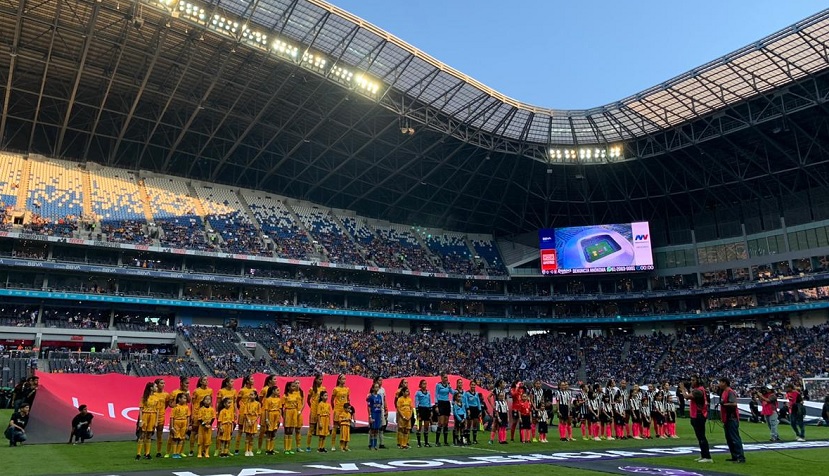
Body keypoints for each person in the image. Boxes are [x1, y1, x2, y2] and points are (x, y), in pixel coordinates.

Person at [679, 376, 712, 463]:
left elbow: (686, 396)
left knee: (701, 436)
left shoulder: (698, 391)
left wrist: (682, 389)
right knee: (700, 436)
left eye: (693, 380)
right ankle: (704, 454)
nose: (691, 382)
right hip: (697, 415)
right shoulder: (699, 390)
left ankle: (707, 456)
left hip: (699, 415)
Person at [718, 378, 746, 463]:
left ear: (725, 383)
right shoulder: (723, 392)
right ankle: (734, 456)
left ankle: (740, 457)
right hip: (726, 418)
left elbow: (734, 404)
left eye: (720, 382)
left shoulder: (730, 392)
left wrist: (724, 404)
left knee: (735, 438)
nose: (719, 384)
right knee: (729, 438)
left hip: (731, 418)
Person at [190, 377, 213, 457]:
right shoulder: (196, 391)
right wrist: (192, 414)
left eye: (207, 380)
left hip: (207, 415)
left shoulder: (210, 390)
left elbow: (211, 402)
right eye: (204, 380)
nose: (206, 381)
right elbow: (192, 404)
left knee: (205, 432)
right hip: (197, 413)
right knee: (194, 432)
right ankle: (191, 450)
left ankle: (203, 450)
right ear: (200, 381)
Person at [136, 381, 158, 460]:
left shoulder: (156, 397)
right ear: (151, 388)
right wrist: (141, 420)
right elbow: (141, 409)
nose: (156, 388)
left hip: (153, 416)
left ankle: (147, 453)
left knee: (149, 435)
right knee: (142, 435)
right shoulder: (144, 397)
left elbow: (157, 410)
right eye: (155, 386)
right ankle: (138, 453)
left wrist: (156, 421)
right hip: (145, 415)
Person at [234, 376, 255, 455]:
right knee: (240, 430)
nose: (253, 381)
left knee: (250, 432)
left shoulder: (254, 390)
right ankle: (237, 448)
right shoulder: (242, 390)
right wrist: (240, 409)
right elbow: (237, 401)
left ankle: (249, 449)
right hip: (243, 413)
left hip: (251, 414)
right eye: (252, 379)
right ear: (247, 381)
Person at [305, 374, 325, 453]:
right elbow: (308, 400)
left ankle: (320, 447)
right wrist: (312, 407)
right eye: (319, 379)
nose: (321, 381)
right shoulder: (312, 389)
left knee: (321, 428)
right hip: (314, 410)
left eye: (322, 379)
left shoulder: (323, 388)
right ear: (316, 380)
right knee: (311, 429)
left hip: (321, 411)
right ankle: (308, 446)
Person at [434, 373, 455, 447]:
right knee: (441, 423)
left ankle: (445, 441)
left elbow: (453, 393)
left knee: (446, 423)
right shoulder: (438, 385)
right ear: (441, 378)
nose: (446, 379)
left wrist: (450, 387)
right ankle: (437, 441)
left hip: (447, 403)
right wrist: (436, 405)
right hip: (441, 403)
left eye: (447, 377)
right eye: (445, 377)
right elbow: (436, 395)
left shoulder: (448, 385)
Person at [257, 374, 276, 454]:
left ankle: (270, 448)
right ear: (269, 381)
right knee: (262, 431)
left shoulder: (275, 390)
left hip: (273, 412)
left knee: (272, 431)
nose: (276, 381)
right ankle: (259, 448)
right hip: (265, 412)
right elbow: (259, 400)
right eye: (274, 379)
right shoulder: (264, 389)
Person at [330, 374, 350, 452]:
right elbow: (332, 400)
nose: (344, 380)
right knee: (335, 428)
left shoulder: (347, 389)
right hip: (337, 410)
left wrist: (348, 409)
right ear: (339, 380)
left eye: (345, 379)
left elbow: (348, 400)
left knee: (344, 428)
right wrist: (334, 408)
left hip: (344, 411)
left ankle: (344, 445)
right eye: (342, 379)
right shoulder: (336, 389)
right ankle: (333, 445)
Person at [262, 386, 282, 455]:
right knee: (269, 432)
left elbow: (280, 409)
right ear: (273, 391)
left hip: (276, 415)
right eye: (277, 390)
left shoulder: (279, 399)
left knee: (274, 432)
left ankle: (271, 449)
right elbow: (266, 410)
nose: (278, 391)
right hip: (270, 415)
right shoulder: (268, 399)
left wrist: (279, 418)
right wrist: (267, 419)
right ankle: (267, 449)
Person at [169, 392, 190, 459]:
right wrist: (172, 426)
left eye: (186, 398)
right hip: (176, 422)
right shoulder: (175, 407)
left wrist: (187, 425)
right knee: (175, 438)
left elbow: (188, 417)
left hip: (184, 423)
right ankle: (174, 453)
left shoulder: (186, 407)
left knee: (181, 438)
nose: (185, 400)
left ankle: (178, 453)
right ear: (179, 399)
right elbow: (172, 417)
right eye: (184, 398)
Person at [283, 380, 301, 454]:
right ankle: (285, 448)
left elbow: (298, 405)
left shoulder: (297, 395)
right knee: (287, 430)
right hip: (288, 412)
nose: (294, 387)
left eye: (294, 386)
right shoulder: (285, 396)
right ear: (288, 387)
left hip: (294, 412)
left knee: (291, 430)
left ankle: (289, 448)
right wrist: (283, 415)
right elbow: (282, 406)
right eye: (293, 386)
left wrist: (298, 412)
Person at [153, 378, 169, 457]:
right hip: (152, 415)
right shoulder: (153, 394)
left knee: (159, 434)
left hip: (161, 416)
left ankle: (158, 452)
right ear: (157, 384)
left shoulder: (166, 395)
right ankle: (146, 452)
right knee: (148, 434)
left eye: (164, 383)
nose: (163, 385)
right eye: (161, 383)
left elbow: (166, 404)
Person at [462, 380, 483, 444]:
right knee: (468, 424)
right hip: (470, 409)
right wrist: (468, 409)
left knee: (475, 424)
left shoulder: (476, 393)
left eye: (474, 385)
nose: (473, 386)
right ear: (470, 385)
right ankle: (468, 439)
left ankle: (474, 439)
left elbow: (478, 402)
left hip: (476, 409)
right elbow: (466, 401)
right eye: (472, 385)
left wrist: (480, 410)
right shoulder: (467, 393)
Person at [196, 394, 215, 459]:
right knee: (201, 440)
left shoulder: (212, 409)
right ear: (203, 401)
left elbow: (213, 418)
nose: (208, 401)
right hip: (202, 427)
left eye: (209, 399)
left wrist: (209, 425)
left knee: (208, 440)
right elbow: (199, 418)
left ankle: (206, 452)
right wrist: (204, 424)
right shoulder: (201, 409)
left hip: (209, 427)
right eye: (206, 399)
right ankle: (199, 452)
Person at [414, 379, 432, 447]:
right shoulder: (418, 393)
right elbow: (416, 402)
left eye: (425, 383)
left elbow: (430, 402)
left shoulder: (428, 392)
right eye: (423, 383)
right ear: (420, 385)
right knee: (419, 427)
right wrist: (417, 411)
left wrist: (430, 411)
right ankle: (418, 443)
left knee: (426, 427)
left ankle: (426, 442)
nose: (425, 385)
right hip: (421, 409)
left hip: (427, 410)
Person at [367, 382, 384, 450]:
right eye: (376, 387)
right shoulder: (370, 397)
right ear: (373, 388)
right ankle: (371, 445)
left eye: (378, 387)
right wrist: (370, 416)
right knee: (372, 430)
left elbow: (380, 405)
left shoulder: (380, 396)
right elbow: (369, 407)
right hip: (373, 414)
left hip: (378, 414)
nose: (377, 388)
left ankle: (375, 445)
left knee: (377, 430)